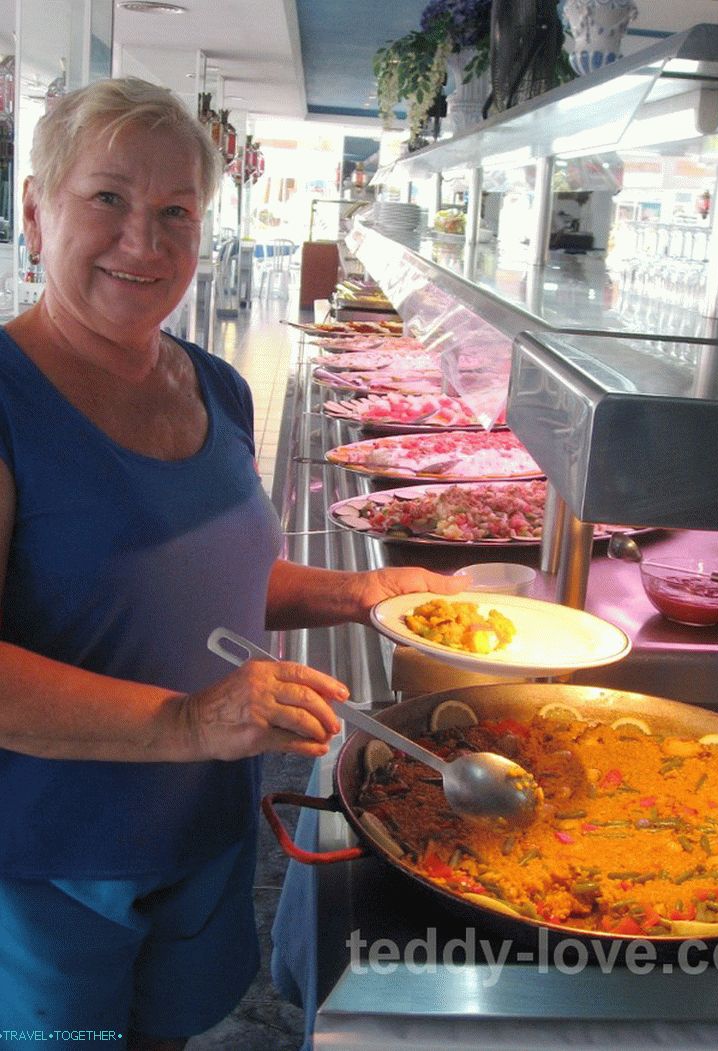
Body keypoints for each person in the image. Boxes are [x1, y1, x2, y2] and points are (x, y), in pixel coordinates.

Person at [0, 78, 463, 1050]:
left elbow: (201, 578)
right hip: (47, 863)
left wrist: (356, 591)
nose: (145, 240)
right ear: (35, 212)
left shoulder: (210, 383)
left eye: (176, 211)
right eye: (109, 199)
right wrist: (189, 717)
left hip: (206, 828)